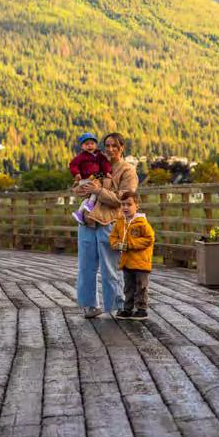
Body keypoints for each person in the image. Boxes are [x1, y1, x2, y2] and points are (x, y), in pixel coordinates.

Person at [74, 132, 137, 318]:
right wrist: (80, 185)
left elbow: (123, 199)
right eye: (107, 145)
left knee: (110, 267)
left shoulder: (127, 170)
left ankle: (116, 305)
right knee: (85, 267)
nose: (110, 149)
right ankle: (89, 306)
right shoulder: (95, 163)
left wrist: (98, 190)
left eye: (114, 146)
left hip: (110, 222)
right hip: (87, 221)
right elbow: (78, 190)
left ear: (122, 148)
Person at [110, 191, 155, 319]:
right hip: (127, 261)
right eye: (123, 204)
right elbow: (113, 236)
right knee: (128, 286)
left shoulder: (141, 222)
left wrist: (130, 244)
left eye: (129, 204)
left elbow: (149, 239)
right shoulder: (120, 222)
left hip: (141, 262)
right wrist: (116, 244)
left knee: (141, 286)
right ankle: (127, 308)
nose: (125, 207)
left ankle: (141, 309)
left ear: (137, 206)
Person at [69, 133, 112, 225]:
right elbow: (73, 165)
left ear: (96, 145)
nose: (90, 146)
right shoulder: (81, 157)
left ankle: (79, 212)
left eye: (92, 143)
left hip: (95, 177)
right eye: (87, 144)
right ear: (82, 146)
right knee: (96, 187)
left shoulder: (100, 155)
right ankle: (90, 204)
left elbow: (105, 163)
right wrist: (76, 173)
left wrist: (107, 172)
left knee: (91, 195)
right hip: (85, 179)